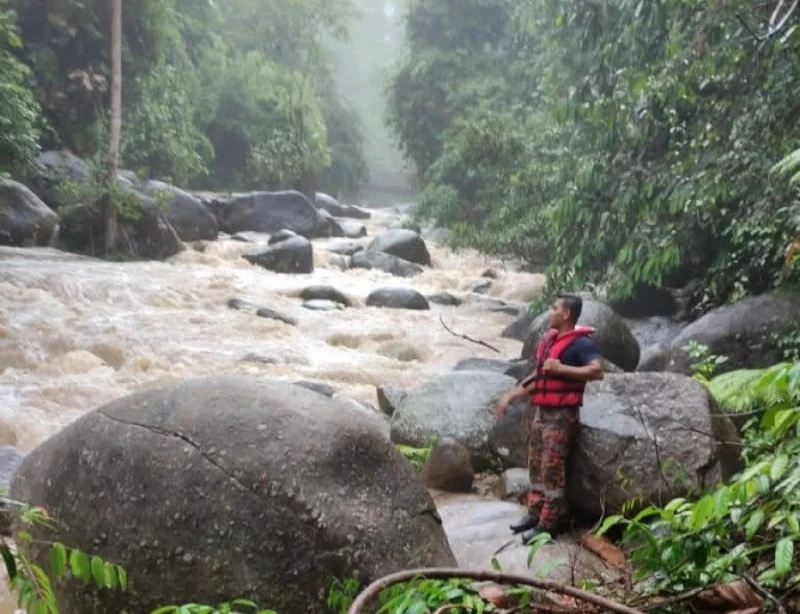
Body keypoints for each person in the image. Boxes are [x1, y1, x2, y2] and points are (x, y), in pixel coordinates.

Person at [494, 293, 603, 543]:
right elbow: (540, 378)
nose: (550, 311)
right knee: (535, 464)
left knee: (552, 468)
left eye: (554, 308)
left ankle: (549, 523)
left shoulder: (581, 343)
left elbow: (597, 371)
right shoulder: (552, 340)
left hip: (562, 416)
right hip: (543, 413)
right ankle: (535, 513)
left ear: (566, 314)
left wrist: (561, 368)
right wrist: (510, 397)